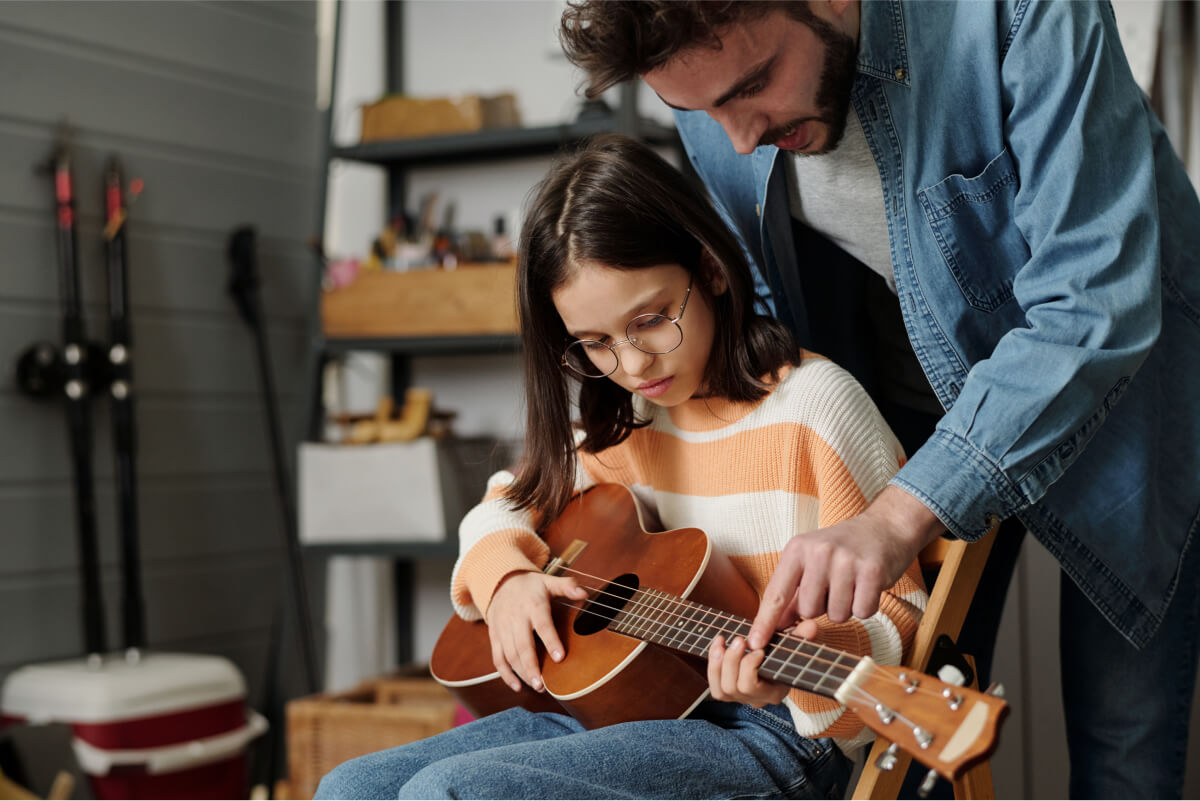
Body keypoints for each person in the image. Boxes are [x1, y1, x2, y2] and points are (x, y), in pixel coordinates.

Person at [559, 1, 1200, 798]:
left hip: (1129, 394)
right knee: (916, 749)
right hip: (911, 393)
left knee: (1123, 749)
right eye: (698, 110)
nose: (738, 138)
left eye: (754, 86)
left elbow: (1094, 299)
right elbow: (761, 299)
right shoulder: (719, 98)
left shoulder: (1023, 11)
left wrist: (900, 514)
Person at [315, 134, 929, 800]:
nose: (633, 365)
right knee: (350, 787)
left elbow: (902, 618)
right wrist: (506, 582)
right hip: (621, 713)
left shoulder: (816, 405)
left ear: (711, 268)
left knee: (450, 793)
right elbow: (503, 503)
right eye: (596, 342)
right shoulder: (628, 421)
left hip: (777, 734)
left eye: (653, 319)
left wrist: (800, 660)